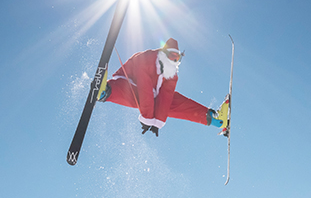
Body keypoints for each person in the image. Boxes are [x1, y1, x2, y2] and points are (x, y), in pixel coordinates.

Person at [97, 38, 228, 137]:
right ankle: (105, 91)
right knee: (134, 96)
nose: (175, 61)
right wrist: (148, 118)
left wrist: (157, 121)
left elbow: (165, 98)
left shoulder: (172, 75)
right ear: (163, 53)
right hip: (128, 80)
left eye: (178, 59)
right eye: (172, 56)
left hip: (152, 92)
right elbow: (145, 88)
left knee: (174, 101)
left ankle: (215, 119)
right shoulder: (147, 59)